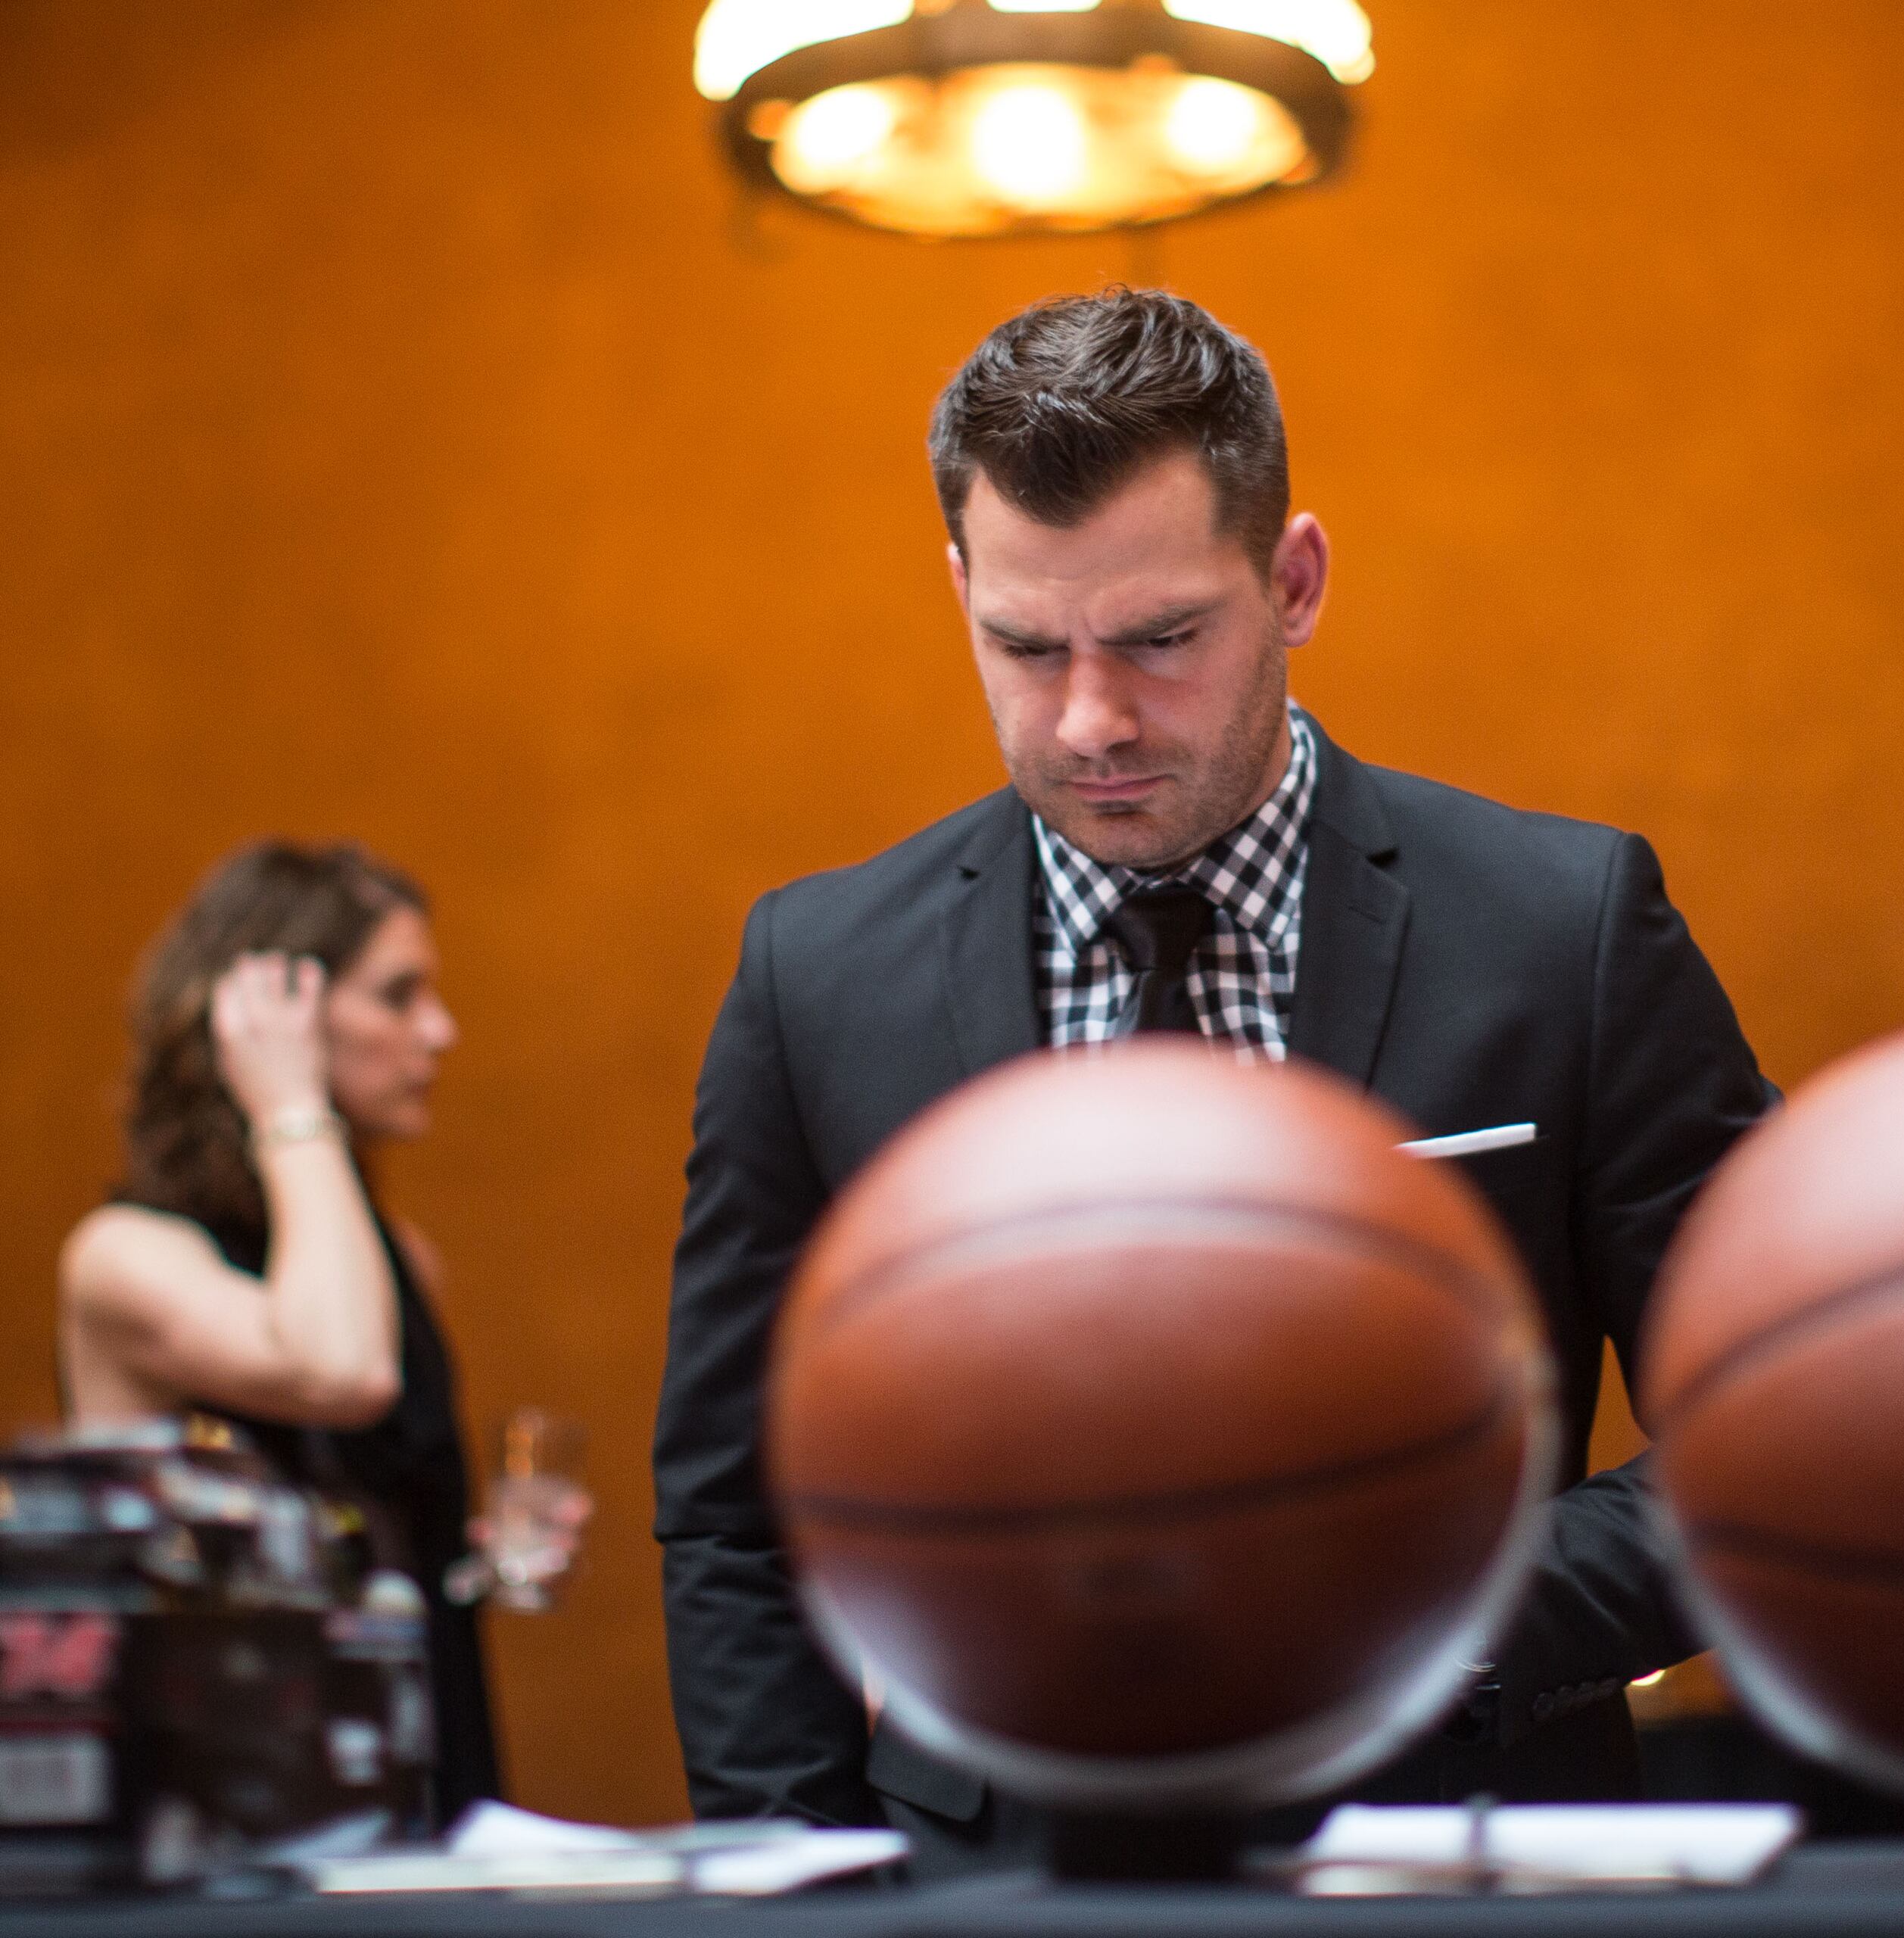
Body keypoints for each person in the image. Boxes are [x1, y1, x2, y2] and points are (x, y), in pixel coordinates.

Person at [655, 287, 1777, 1869]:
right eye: (1025, 646)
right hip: (984, 1884)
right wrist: (805, 1897)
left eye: (1164, 639)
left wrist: (1437, 1619)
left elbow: (1780, 1419)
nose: (1093, 717)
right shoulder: (814, 976)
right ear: (960, 586)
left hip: (1468, 1855)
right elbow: (729, 1508)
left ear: (1294, 578)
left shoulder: (1563, 928)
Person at [58, 841, 512, 1825]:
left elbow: (358, 1521)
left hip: (416, 1766)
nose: (439, 1031)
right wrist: (292, 1106)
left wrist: (473, 1554)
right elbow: (338, 1371)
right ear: (273, 1012)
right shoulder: (128, 1256)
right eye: (398, 996)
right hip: (233, 1805)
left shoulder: (399, 1260)